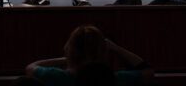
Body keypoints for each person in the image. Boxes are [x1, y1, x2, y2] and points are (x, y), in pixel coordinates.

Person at [25, 25, 154, 86]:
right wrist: (117, 48)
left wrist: (65, 59)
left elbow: (31, 67)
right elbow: (147, 71)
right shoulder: (114, 80)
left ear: (70, 51)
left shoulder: (60, 77)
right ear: (103, 52)